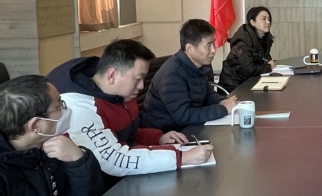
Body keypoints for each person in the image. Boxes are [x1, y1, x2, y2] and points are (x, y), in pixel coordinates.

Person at [0, 76, 136, 196]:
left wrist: (78, 161)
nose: (66, 110)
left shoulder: (44, 146)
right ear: (36, 126)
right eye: (59, 106)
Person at [49, 39, 214, 186]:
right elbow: (115, 160)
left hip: (127, 180)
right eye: (138, 78)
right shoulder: (80, 109)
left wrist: (158, 138)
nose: (142, 86)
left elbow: (127, 135)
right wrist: (182, 157)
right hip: (105, 190)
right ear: (112, 75)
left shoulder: (120, 95)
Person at [141, 19, 238, 131]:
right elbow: (184, 116)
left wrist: (223, 101)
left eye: (213, 43)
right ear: (189, 48)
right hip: (166, 133)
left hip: (187, 127)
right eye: (208, 45)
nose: (213, 50)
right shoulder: (172, 74)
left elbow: (208, 95)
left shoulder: (199, 65)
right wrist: (223, 109)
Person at [218, 6, 275, 91]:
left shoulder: (263, 39)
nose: (268, 22)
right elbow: (249, 69)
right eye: (263, 19)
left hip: (249, 82)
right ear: (252, 22)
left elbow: (266, 59)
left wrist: (269, 64)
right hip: (233, 87)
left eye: (269, 19)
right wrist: (269, 67)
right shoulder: (243, 43)